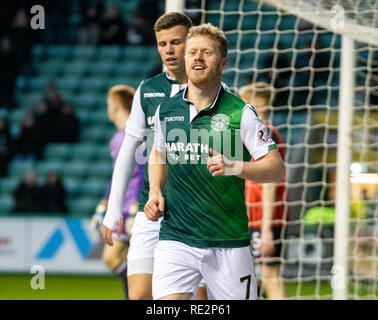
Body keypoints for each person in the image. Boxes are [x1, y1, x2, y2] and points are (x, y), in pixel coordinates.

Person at [144, 23, 286, 300]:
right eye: (192, 52)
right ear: (185, 58)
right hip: (176, 237)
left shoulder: (240, 112)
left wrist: (237, 166)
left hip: (228, 242)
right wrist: (155, 191)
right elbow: (158, 152)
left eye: (206, 53)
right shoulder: (166, 110)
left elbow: (276, 169)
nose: (197, 58)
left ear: (223, 62)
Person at [101, 12, 209, 300]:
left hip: (194, 212)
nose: (169, 50)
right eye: (162, 44)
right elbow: (128, 152)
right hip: (152, 210)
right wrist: (113, 210)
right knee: (139, 297)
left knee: (197, 300)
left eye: (176, 42)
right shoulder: (148, 91)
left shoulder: (211, 90)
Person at [92, 85, 144, 300]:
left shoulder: (134, 136)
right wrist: (105, 202)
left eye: (108, 104)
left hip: (132, 208)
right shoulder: (118, 138)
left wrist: (138, 204)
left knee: (113, 257)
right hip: (121, 207)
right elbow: (118, 175)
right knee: (123, 259)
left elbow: (142, 171)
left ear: (115, 105)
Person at [239, 82, 287, 300]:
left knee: (269, 276)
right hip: (254, 218)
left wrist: (266, 230)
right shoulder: (265, 134)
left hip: (264, 219)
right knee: (252, 279)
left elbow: (269, 184)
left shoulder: (266, 135)